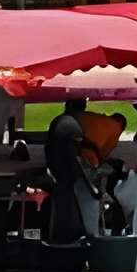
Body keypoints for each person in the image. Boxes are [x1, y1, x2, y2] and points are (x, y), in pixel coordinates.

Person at [43, 96, 97, 244]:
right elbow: (75, 152)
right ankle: (69, 235)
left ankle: (63, 234)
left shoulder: (61, 121)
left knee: (65, 203)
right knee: (69, 204)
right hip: (64, 171)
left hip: (57, 170)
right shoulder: (69, 123)